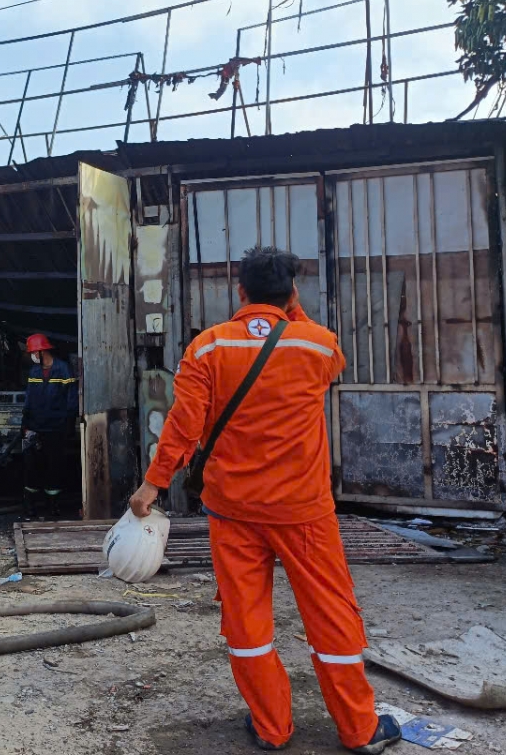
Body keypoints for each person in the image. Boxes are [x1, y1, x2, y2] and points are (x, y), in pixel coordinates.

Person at [129, 248, 401, 755]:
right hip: (305, 513)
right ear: (293, 293)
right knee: (331, 617)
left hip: (233, 513)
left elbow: (182, 427)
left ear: (240, 292)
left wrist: (152, 485)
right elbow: (310, 349)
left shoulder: (207, 349)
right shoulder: (319, 346)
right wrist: (289, 313)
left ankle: (273, 728)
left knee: (247, 623)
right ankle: (359, 730)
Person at [20, 333, 77, 519]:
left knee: (54, 468)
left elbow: (71, 399)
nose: (31, 356)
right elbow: (29, 400)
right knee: (31, 468)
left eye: (32, 353)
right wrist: (26, 425)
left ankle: (52, 508)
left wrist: (68, 425)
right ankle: (30, 508)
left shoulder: (63, 369)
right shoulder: (34, 372)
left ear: (41, 351)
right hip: (35, 428)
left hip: (55, 428)